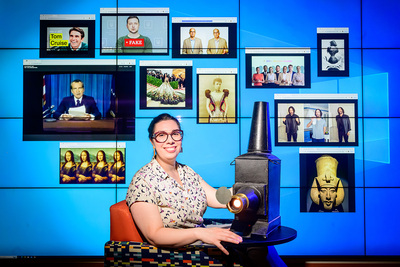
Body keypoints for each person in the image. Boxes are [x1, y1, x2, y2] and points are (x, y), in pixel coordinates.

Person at [126, 113, 242, 257]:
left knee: (254, 242)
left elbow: (217, 197)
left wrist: (246, 189)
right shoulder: (143, 180)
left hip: (201, 241)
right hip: (178, 253)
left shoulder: (187, 171)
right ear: (152, 141)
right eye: (161, 135)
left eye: (175, 134)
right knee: (253, 251)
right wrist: (200, 233)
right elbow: (154, 235)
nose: (170, 140)